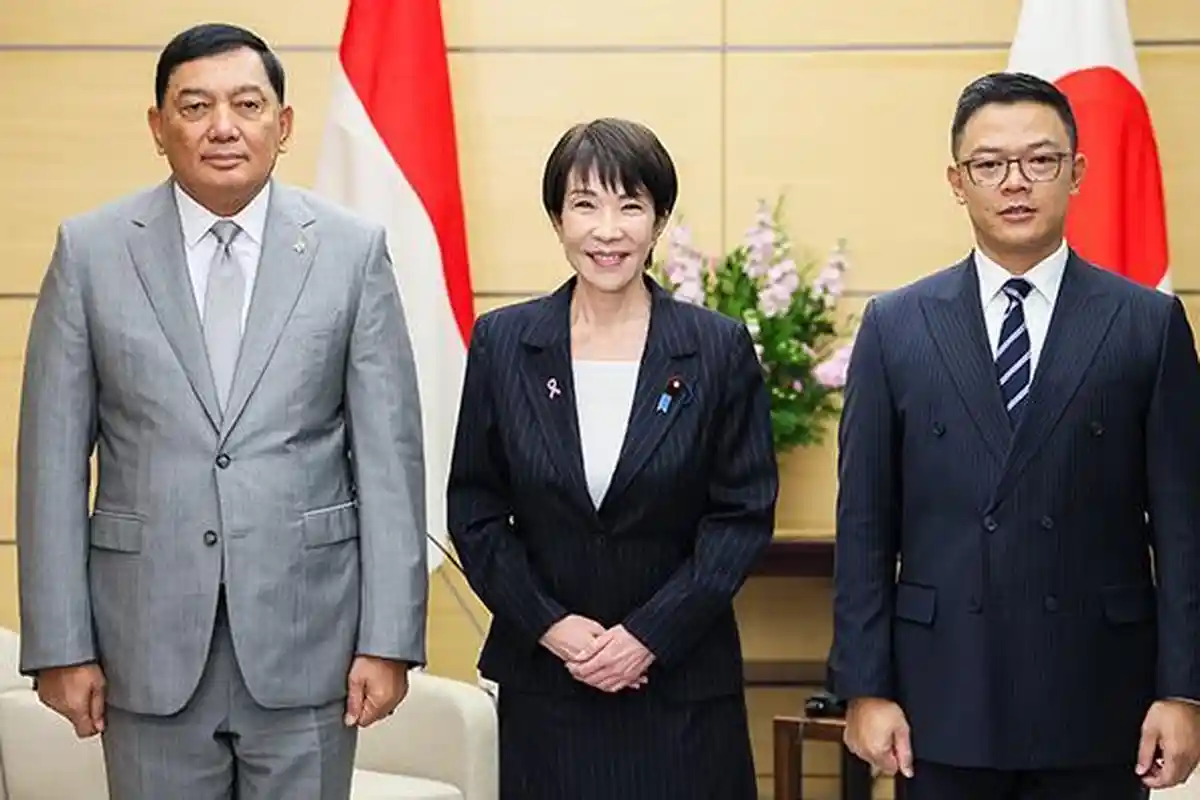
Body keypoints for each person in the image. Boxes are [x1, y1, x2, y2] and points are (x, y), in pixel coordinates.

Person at [15, 22, 428, 799]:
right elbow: (51, 465)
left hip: (311, 642)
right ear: (157, 126)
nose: (223, 127)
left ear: (284, 122)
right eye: (195, 106)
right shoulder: (90, 252)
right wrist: (61, 644)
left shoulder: (351, 252)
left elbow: (390, 462)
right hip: (144, 648)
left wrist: (390, 638)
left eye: (247, 104)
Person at [831, 70, 1200, 800]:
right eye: (990, 164)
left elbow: (1185, 526)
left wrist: (1183, 690)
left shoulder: (1146, 323)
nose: (1015, 183)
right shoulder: (897, 326)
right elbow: (865, 526)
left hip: (1099, 690)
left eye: (1040, 160)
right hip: (943, 692)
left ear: (1077, 172)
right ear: (957, 181)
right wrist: (865, 687)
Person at [446, 117, 778, 799]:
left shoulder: (715, 348)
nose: (607, 230)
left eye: (630, 206)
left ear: (659, 222)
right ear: (557, 219)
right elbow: (476, 511)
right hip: (548, 687)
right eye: (585, 204)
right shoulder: (505, 343)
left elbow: (740, 517)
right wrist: (552, 626)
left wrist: (648, 635)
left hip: (680, 687)